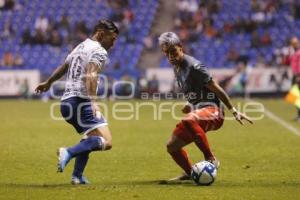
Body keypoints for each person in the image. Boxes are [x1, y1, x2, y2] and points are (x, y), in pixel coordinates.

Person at [158, 32, 253, 182]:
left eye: (173, 52)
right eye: (166, 54)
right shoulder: (176, 67)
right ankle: (191, 174)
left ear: (181, 47)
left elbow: (216, 87)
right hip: (198, 112)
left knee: (189, 120)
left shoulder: (194, 66)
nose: (170, 57)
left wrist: (233, 110)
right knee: (172, 146)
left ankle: (211, 159)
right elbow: (196, 92)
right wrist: (190, 104)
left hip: (215, 112)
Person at [35, 20, 119, 184]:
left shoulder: (81, 46)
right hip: (81, 102)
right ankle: (68, 152)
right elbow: (91, 74)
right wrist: (93, 101)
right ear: (101, 34)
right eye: (112, 38)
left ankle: (77, 176)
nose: (113, 43)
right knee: (107, 142)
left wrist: (48, 82)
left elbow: (64, 66)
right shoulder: (99, 50)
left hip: (66, 103)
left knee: (89, 137)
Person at [285, 36, 300, 121]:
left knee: (296, 95)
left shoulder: (299, 53)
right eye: (292, 43)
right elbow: (287, 62)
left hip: (298, 75)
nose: (294, 45)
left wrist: (298, 75)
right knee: (294, 96)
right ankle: (298, 114)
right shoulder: (293, 52)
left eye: (295, 43)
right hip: (295, 75)